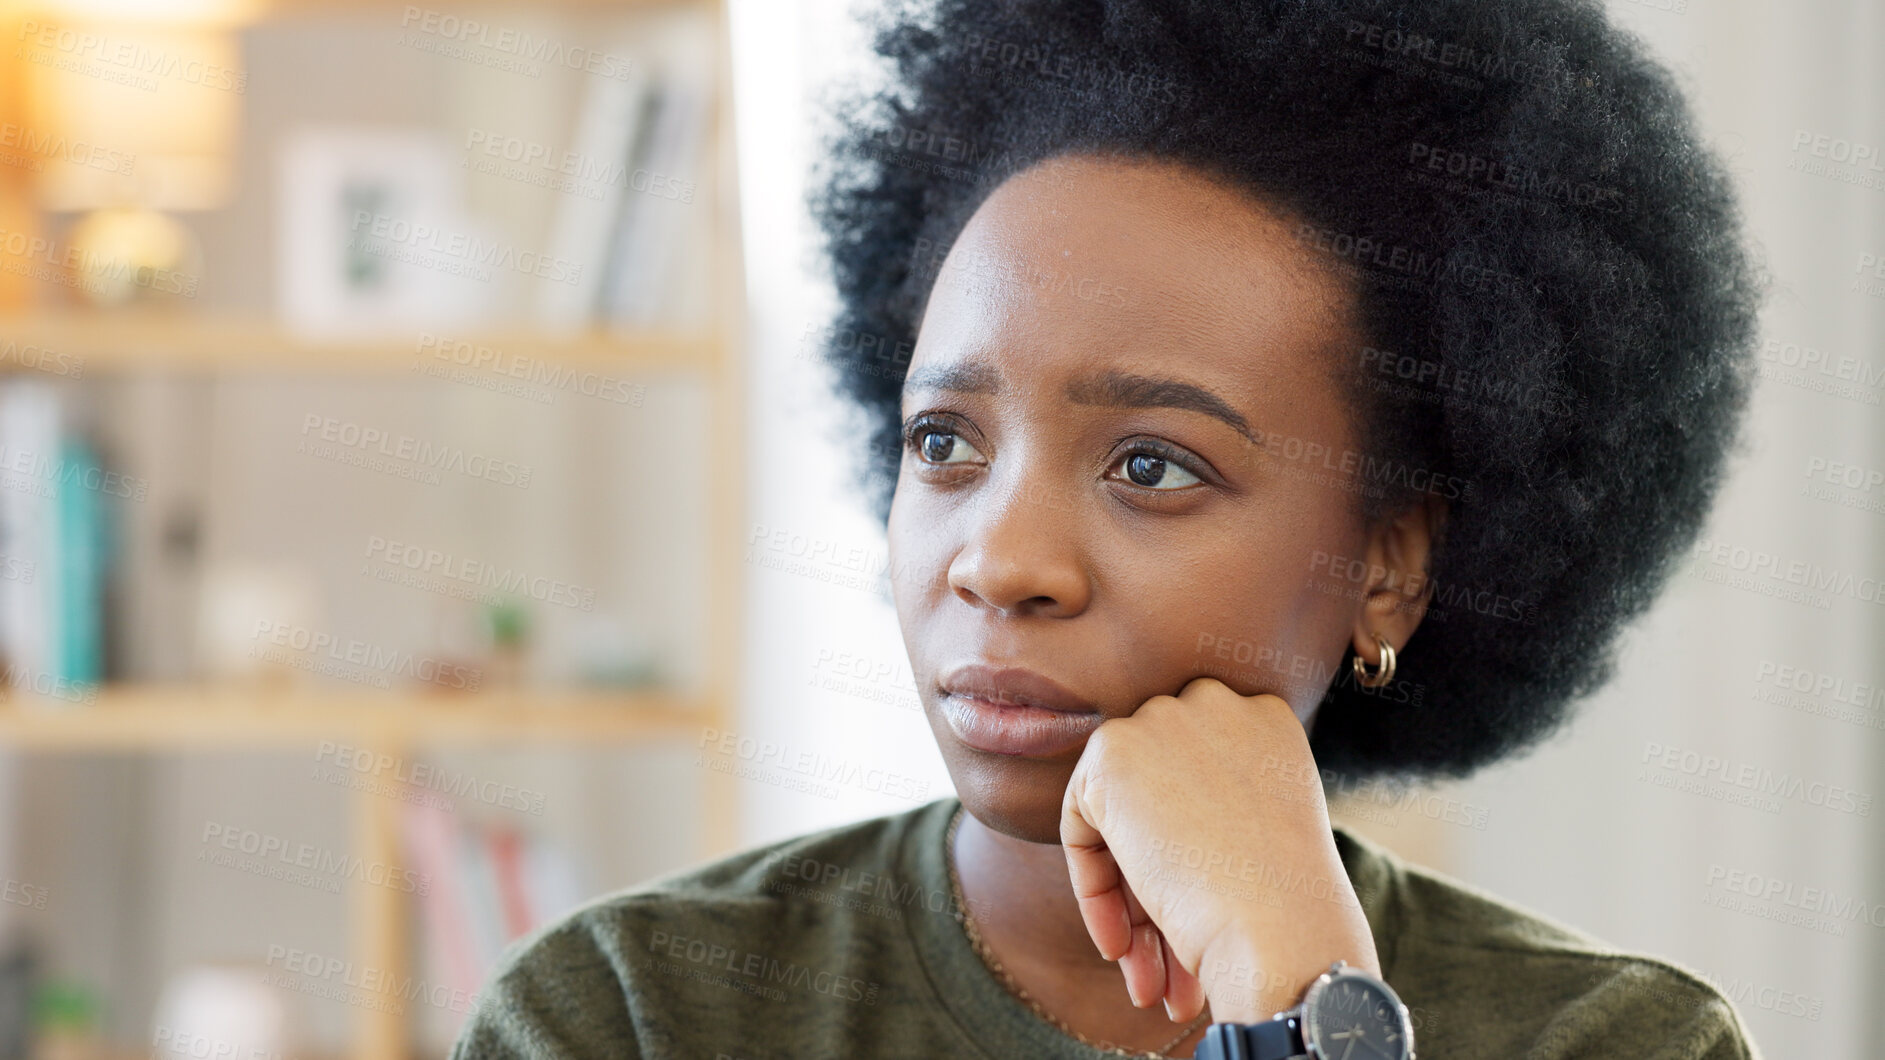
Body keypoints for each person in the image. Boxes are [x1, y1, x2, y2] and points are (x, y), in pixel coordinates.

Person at [453, 0, 1763, 1056]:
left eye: (1150, 464)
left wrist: (1303, 1000)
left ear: (1387, 566)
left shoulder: (1615, 1041)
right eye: (944, 444)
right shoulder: (634, 1016)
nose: (998, 561)